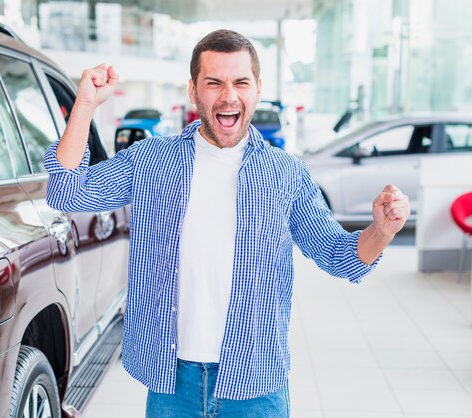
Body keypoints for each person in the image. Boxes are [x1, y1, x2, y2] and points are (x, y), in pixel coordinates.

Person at [44, 29, 410, 418]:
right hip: (172, 382)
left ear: (257, 89)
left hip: (255, 383)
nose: (228, 96)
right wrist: (83, 105)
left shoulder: (285, 174)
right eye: (213, 82)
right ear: (193, 90)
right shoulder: (151, 161)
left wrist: (381, 231)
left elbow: (340, 256)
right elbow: (67, 191)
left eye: (240, 82)